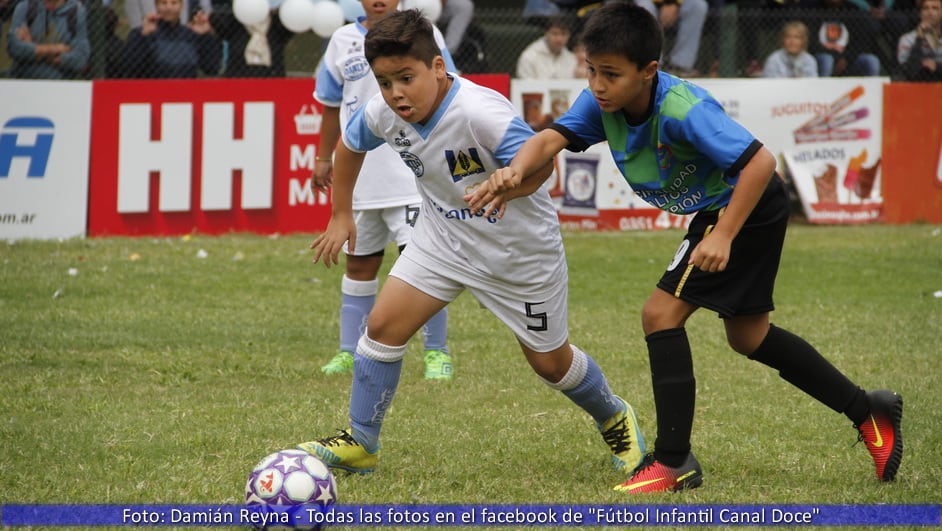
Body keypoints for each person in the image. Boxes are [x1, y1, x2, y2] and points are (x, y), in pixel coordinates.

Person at [469, 1, 903, 493]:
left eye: (610, 74)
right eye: (591, 70)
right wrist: (513, 171)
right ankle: (868, 410)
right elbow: (548, 139)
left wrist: (723, 234)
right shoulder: (601, 103)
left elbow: (761, 163)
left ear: (649, 71)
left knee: (660, 314)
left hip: (746, 205)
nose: (597, 85)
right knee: (750, 337)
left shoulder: (682, 108)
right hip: (730, 210)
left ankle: (675, 461)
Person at [299, 8, 646, 478]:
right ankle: (362, 442)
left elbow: (544, 168)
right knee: (381, 327)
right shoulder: (383, 112)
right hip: (442, 240)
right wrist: (341, 214)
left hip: (519, 253)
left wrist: (509, 185)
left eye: (406, 77)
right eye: (384, 82)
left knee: (550, 363)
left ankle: (613, 415)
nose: (395, 93)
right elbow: (349, 146)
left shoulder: (481, 114)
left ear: (438, 67)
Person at [312, 0, 454, 379]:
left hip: (409, 175)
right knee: (359, 264)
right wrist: (323, 157)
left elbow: (449, 93)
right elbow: (330, 106)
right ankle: (348, 350)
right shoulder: (342, 40)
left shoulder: (425, 35)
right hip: (360, 176)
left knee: (425, 264)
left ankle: (436, 353)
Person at [121, 0, 220, 78]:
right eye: (164, 3)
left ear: (181, 6)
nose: (169, 7)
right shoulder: (141, 33)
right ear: (157, 6)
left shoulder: (192, 34)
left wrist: (206, 36)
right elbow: (130, 68)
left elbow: (212, 68)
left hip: (186, 94)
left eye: (174, 3)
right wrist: (143, 37)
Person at [6, 0, 90, 79]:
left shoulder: (76, 12)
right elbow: (14, 47)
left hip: (60, 86)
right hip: (23, 83)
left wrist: (33, 48)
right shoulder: (26, 7)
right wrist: (57, 49)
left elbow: (80, 59)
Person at [210, 0, 293, 77]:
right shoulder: (234, 19)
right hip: (238, 78)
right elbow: (219, 23)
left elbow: (290, 29)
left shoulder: (278, 22)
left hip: (272, 78)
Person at [805, 0, 882, 76]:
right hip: (820, 58)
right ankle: (822, 88)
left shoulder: (852, 9)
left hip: (848, 59)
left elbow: (862, 40)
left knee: (871, 61)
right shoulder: (812, 8)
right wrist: (836, 57)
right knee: (827, 60)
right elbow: (810, 41)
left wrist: (846, 58)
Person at [634, 0, 708, 76]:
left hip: (678, 3)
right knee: (644, 7)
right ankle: (653, 65)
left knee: (697, 5)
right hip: (650, 2)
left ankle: (681, 66)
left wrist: (674, 3)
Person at [516, 14, 578, 79]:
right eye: (555, 33)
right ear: (546, 33)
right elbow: (525, 86)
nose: (559, 39)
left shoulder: (572, 59)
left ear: (569, 35)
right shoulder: (529, 56)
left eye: (563, 34)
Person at [896, 0, 942, 80]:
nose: (930, 12)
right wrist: (919, 39)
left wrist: (937, 66)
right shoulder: (906, 39)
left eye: (935, 8)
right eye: (925, 8)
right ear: (920, 13)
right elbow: (908, 70)